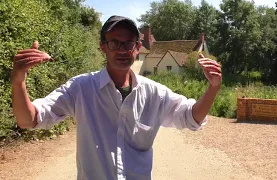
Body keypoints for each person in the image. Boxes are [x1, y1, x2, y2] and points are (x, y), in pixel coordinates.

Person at [11, 15, 222, 180]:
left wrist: (213, 87)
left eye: (128, 43)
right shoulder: (81, 88)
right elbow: (29, 119)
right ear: (102, 46)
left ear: (137, 48)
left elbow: (191, 117)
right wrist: (19, 81)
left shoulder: (154, 93)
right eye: (114, 43)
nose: (122, 50)